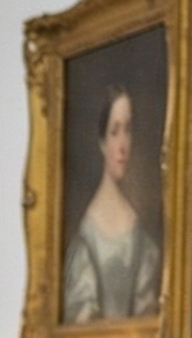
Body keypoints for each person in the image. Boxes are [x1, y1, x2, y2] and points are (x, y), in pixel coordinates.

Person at [63, 84, 161, 323]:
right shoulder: (87, 236)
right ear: (102, 141)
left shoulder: (139, 234)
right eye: (115, 131)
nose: (122, 146)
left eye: (128, 130)